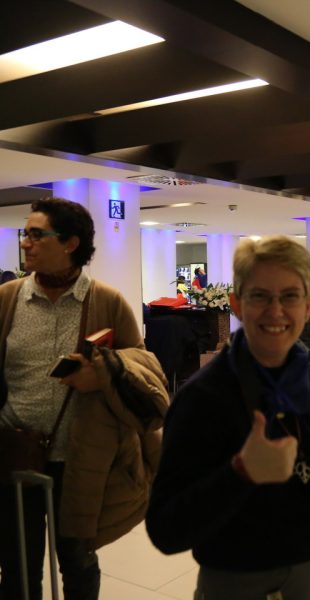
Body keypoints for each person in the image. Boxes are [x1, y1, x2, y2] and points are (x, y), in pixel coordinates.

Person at [146, 236, 310, 600]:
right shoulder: (202, 398)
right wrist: (240, 473)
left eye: (290, 296)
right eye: (260, 296)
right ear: (237, 305)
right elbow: (165, 529)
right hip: (242, 577)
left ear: (308, 306)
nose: (276, 311)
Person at [0, 197, 169, 600]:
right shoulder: (7, 299)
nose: (25, 242)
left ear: (70, 243)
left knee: (77, 560)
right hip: (14, 453)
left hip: (81, 460)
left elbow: (143, 368)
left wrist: (104, 374)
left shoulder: (106, 301)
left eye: (36, 234)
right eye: (25, 233)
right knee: (17, 563)